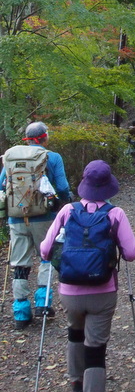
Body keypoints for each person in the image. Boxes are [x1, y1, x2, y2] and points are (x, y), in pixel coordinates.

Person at [40, 160, 135, 392]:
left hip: (69, 291)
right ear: (108, 186)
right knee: (96, 348)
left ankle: (76, 380)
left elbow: (46, 251)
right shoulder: (115, 213)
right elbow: (131, 253)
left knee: (75, 330)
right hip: (102, 291)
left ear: (84, 183)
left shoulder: (67, 210)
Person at [0, 121, 71, 330]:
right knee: (46, 256)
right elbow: (63, 187)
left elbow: (1, 184)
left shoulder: (11, 157)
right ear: (44, 137)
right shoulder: (52, 157)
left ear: (28, 139)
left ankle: (20, 312)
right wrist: (64, 202)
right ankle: (43, 303)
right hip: (44, 216)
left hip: (16, 218)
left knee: (19, 264)